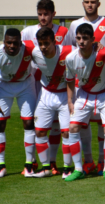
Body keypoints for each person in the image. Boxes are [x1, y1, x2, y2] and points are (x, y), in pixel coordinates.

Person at [64, 23, 105, 182]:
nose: (81, 41)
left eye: (85, 38)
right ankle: (78, 169)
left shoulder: (104, 52)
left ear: (93, 40)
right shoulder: (70, 58)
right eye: (78, 38)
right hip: (84, 96)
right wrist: (70, 101)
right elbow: (69, 81)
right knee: (73, 128)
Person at [65, 0, 105, 176]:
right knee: (79, 126)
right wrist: (71, 100)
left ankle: (104, 164)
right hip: (83, 86)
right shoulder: (75, 24)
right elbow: (72, 47)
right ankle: (85, 163)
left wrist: (103, 48)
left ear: (98, 3)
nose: (90, 4)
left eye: (93, 1)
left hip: (104, 82)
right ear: (83, 3)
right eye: (86, 1)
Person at [0, 28, 37, 178]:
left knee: (28, 123)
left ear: (20, 42)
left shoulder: (30, 48)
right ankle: (1, 166)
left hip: (26, 84)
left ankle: (29, 165)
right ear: (4, 42)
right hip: (3, 86)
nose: (12, 46)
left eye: (15, 43)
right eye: (8, 42)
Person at [29, 27, 76, 178]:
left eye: (46, 43)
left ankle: (67, 168)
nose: (43, 47)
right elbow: (17, 47)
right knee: (40, 131)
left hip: (65, 96)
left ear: (54, 42)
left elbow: (87, 50)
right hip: (46, 94)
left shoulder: (69, 50)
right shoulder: (34, 51)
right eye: (40, 43)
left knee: (67, 133)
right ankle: (46, 168)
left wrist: (96, 45)